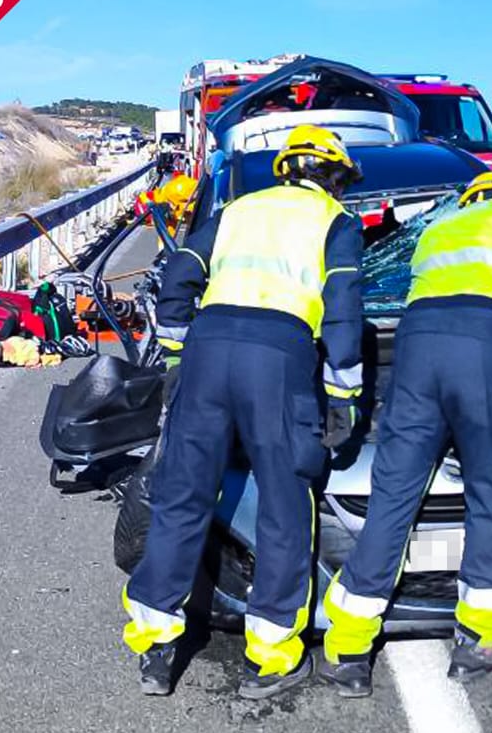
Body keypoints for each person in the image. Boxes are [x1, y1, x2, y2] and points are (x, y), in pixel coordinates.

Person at [123, 124, 365, 699]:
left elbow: (179, 275)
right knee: (285, 506)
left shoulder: (238, 209)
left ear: (286, 169)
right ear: (333, 176)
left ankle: (156, 649)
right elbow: (344, 311)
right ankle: (274, 658)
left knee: (182, 497)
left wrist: (181, 353)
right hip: (278, 360)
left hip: (209, 350)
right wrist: (344, 396)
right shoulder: (335, 221)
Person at [320, 170, 492, 696]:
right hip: (480, 347)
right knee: (491, 492)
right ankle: (479, 640)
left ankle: (349, 649)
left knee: (394, 495)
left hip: (416, 346)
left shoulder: (437, 228)